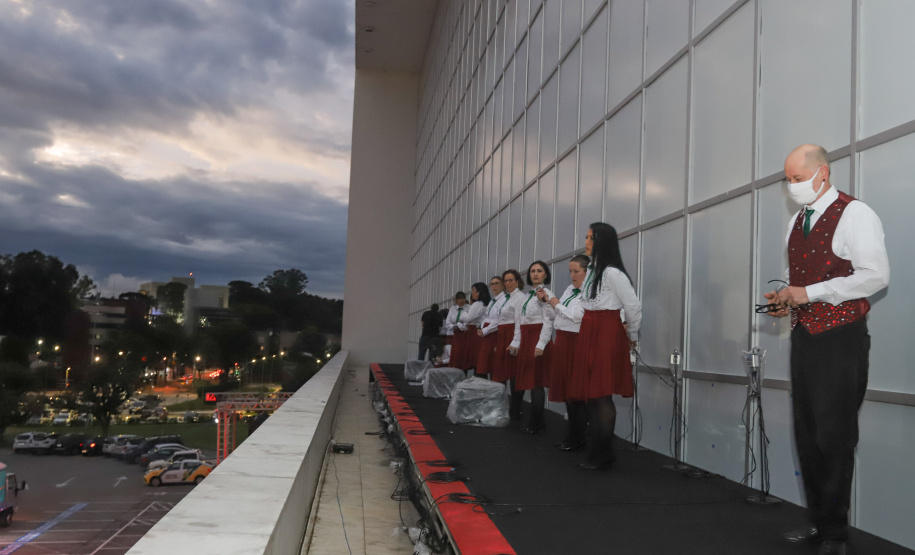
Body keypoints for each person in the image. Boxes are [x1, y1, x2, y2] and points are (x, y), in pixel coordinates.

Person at [763, 144, 889, 555]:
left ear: (823, 172)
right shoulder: (796, 220)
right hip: (806, 336)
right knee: (808, 434)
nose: (792, 187)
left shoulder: (856, 214)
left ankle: (836, 534)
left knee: (834, 437)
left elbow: (875, 276)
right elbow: (793, 274)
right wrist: (784, 294)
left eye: (797, 179)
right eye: (788, 180)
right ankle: (820, 522)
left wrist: (810, 293)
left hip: (840, 337)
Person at [570, 223, 641, 471]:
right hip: (590, 330)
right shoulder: (592, 271)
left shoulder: (612, 273)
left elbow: (632, 306)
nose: (586, 241)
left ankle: (603, 452)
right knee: (592, 395)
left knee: (601, 395)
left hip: (606, 332)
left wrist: (631, 334)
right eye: (587, 236)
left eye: (591, 237)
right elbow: (584, 307)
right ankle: (598, 451)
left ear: (602, 241)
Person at [538, 254, 589, 450]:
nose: (572, 275)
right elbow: (557, 314)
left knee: (577, 393)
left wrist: (554, 302)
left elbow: (577, 316)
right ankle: (572, 435)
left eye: (576, 271)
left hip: (577, 342)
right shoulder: (569, 289)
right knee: (568, 391)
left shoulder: (590, 292)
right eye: (570, 271)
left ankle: (579, 437)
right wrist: (547, 302)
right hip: (563, 340)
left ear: (587, 272)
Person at [508, 261, 555, 434]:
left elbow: (549, 321)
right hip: (526, 339)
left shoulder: (546, 293)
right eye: (532, 271)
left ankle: (537, 422)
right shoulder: (527, 295)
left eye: (539, 271)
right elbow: (519, 322)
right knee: (530, 381)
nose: (535, 274)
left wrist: (541, 344)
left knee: (537, 383)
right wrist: (515, 343)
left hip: (538, 339)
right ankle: (537, 421)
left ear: (545, 274)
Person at [488, 270, 525, 419]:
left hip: (513, 335)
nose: (508, 283)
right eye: (506, 280)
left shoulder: (520, 297)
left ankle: (516, 409)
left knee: (514, 375)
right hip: (502, 335)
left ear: (517, 281)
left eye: (511, 280)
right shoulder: (504, 299)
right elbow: (498, 320)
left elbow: (519, 322)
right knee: (501, 372)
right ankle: (501, 407)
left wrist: (515, 342)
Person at [456, 283, 491, 372]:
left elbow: (468, 319)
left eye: (473, 291)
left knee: (476, 358)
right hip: (485, 332)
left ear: (478, 292)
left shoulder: (477, 304)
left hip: (476, 333)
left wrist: (463, 314)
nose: (472, 293)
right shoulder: (488, 303)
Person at [476, 276, 505, 379]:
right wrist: (481, 328)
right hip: (486, 334)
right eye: (492, 284)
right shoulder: (492, 300)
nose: (494, 286)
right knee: (485, 365)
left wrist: (485, 330)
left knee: (493, 365)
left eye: (497, 283)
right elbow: (487, 316)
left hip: (494, 333)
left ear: (502, 284)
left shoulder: (504, 299)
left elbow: (498, 320)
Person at [442, 292, 468, 366]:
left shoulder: (468, 308)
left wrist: (460, 326)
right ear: (456, 300)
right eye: (460, 299)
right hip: (452, 334)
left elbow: (468, 321)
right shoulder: (453, 309)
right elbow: (447, 321)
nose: (462, 300)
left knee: (461, 354)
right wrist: (453, 326)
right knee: (451, 353)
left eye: (463, 298)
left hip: (463, 334)